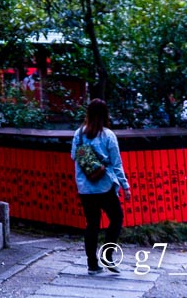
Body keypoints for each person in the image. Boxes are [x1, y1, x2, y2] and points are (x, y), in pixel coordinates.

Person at [71, 98, 131, 275]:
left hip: (85, 187)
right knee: (117, 218)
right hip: (104, 186)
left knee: (92, 224)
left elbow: (74, 156)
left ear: (88, 113)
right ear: (106, 115)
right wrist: (125, 186)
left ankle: (92, 264)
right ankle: (108, 253)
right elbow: (116, 163)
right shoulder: (108, 135)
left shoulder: (78, 134)